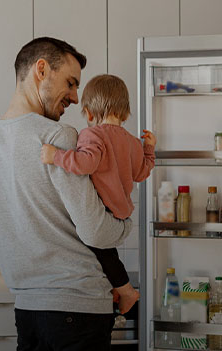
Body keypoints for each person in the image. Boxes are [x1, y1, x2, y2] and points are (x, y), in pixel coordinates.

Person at [0, 37, 132, 351]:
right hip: (80, 311)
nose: (75, 97)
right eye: (71, 82)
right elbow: (96, 230)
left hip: (28, 314)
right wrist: (126, 223)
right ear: (41, 69)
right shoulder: (59, 137)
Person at [40, 74, 156, 314]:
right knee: (103, 253)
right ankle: (118, 287)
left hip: (104, 216)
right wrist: (149, 149)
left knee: (95, 247)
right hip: (122, 218)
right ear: (125, 112)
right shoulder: (133, 143)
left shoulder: (93, 135)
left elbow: (85, 164)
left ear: (89, 113)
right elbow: (142, 173)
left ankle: (127, 291)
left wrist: (56, 156)